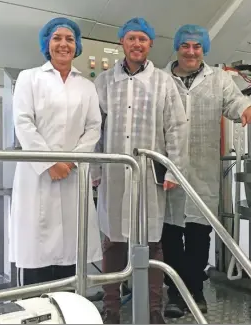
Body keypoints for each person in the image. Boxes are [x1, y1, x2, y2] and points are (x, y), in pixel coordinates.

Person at [162, 24, 251, 318]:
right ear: (177, 48)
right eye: (185, 46)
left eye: (196, 46)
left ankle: (194, 291)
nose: (191, 51)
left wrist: (248, 108)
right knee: (169, 236)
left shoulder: (218, 79)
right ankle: (174, 293)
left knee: (198, 235)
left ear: (203, 49)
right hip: (168, 169)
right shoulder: (161, 78)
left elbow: (234, 101)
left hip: (203, 169)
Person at [92, 17, 188, 324]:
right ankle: (111, 310)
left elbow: (176, 128)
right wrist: (96, 169)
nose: (137, 44)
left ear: (150, 45)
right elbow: (95, 129)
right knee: (114, 243)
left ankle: (153, 311)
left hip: (149, 175)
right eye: (131, 38)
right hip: (115, 175)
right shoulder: (104, 81)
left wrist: (173, 170)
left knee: (151, 242)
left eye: (142, 39)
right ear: (122, 42)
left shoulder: (163, 81)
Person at [10, 17, 103, 286]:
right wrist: (50, 162)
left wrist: (70, 162)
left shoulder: (86, 86)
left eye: (70, 39)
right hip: (36, 174)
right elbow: (23, 123)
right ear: (46, 44)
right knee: (36, 254)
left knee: (70, 253)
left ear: (77, 46)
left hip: (73, 175)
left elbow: (93, 127)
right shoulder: (29, 78)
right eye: (57, 38)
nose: (64, 44)